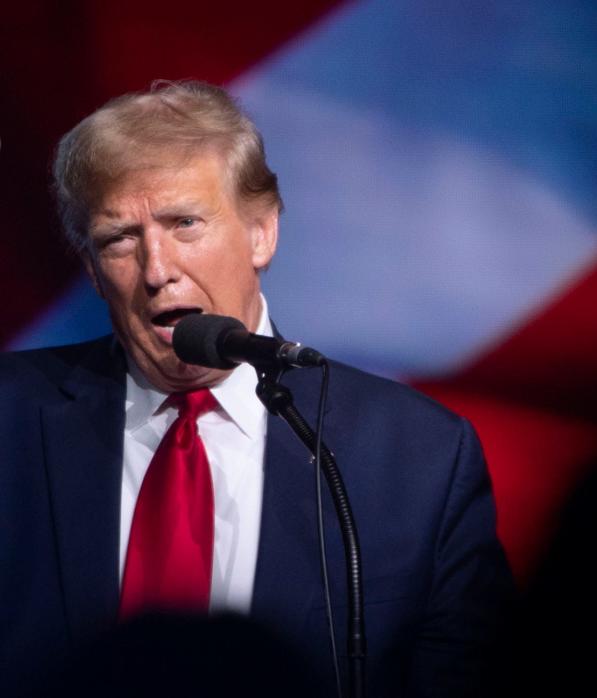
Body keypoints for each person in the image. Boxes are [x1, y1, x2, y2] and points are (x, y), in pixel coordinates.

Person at [0, 80, 513, 696]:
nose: (157, 270)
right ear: (92, 269)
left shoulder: (419, 459)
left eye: (185, 223)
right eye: (119, 239)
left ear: (262, 234)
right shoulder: (10, 421)